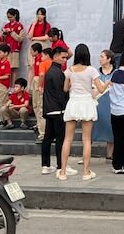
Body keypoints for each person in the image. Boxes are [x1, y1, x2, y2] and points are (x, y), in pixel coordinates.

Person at [58, 45, 110, 181]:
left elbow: (65, 88)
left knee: (67, 139)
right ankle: (86, 172)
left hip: (73, 102)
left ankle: (63, 171)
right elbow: (100, 88)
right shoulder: (91, 70)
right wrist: (107, 84)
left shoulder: (69, 70)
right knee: (86, 139)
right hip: (86, 103)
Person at [41, 46, 74, 175]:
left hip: (49, 109)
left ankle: (45, 165)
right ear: (55, 56)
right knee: (61, 139)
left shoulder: (51, 71)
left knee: (48, 138)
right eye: (63, 57)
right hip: (58, 110)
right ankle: (61, 166)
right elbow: (60, 93)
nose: (65, 60)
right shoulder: (57, 73)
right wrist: (66, 107)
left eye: (66, 57)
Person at [93, 50, 115, 158]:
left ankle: (109, 154)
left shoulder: (116, 73)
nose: (100, 59)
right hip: (98, 102)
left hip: (111, 103)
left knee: (111, 127)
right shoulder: (96, 73)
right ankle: (86, 155)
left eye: (102, 57)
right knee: (92, 127)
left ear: (109, 59)